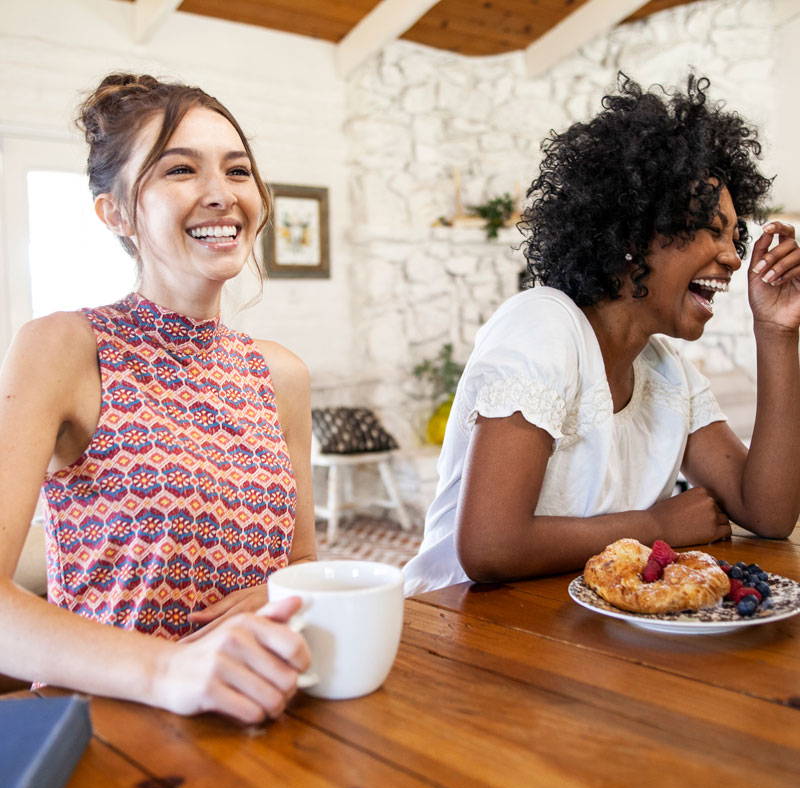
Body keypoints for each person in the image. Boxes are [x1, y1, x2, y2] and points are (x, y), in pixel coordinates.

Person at [403, 74, 800, 596]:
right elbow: (489, 548)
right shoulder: (543, 326)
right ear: (633, 234)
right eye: (710, 228)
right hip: (461, 630)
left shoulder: (666, 372)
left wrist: (775, 333)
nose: (732, 256)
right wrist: (658, 527)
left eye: (735, 235)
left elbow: (768, 513)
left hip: (573, 637)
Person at [0, 74, 317, 723]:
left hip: (256, 718)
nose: (221, 194)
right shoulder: (63, 347)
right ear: (114, 212)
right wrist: (171, 670)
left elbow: (303, 561)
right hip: (102, 728)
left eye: (237, 169)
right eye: (179, 169)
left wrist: (271, 594)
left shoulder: (281, 374)